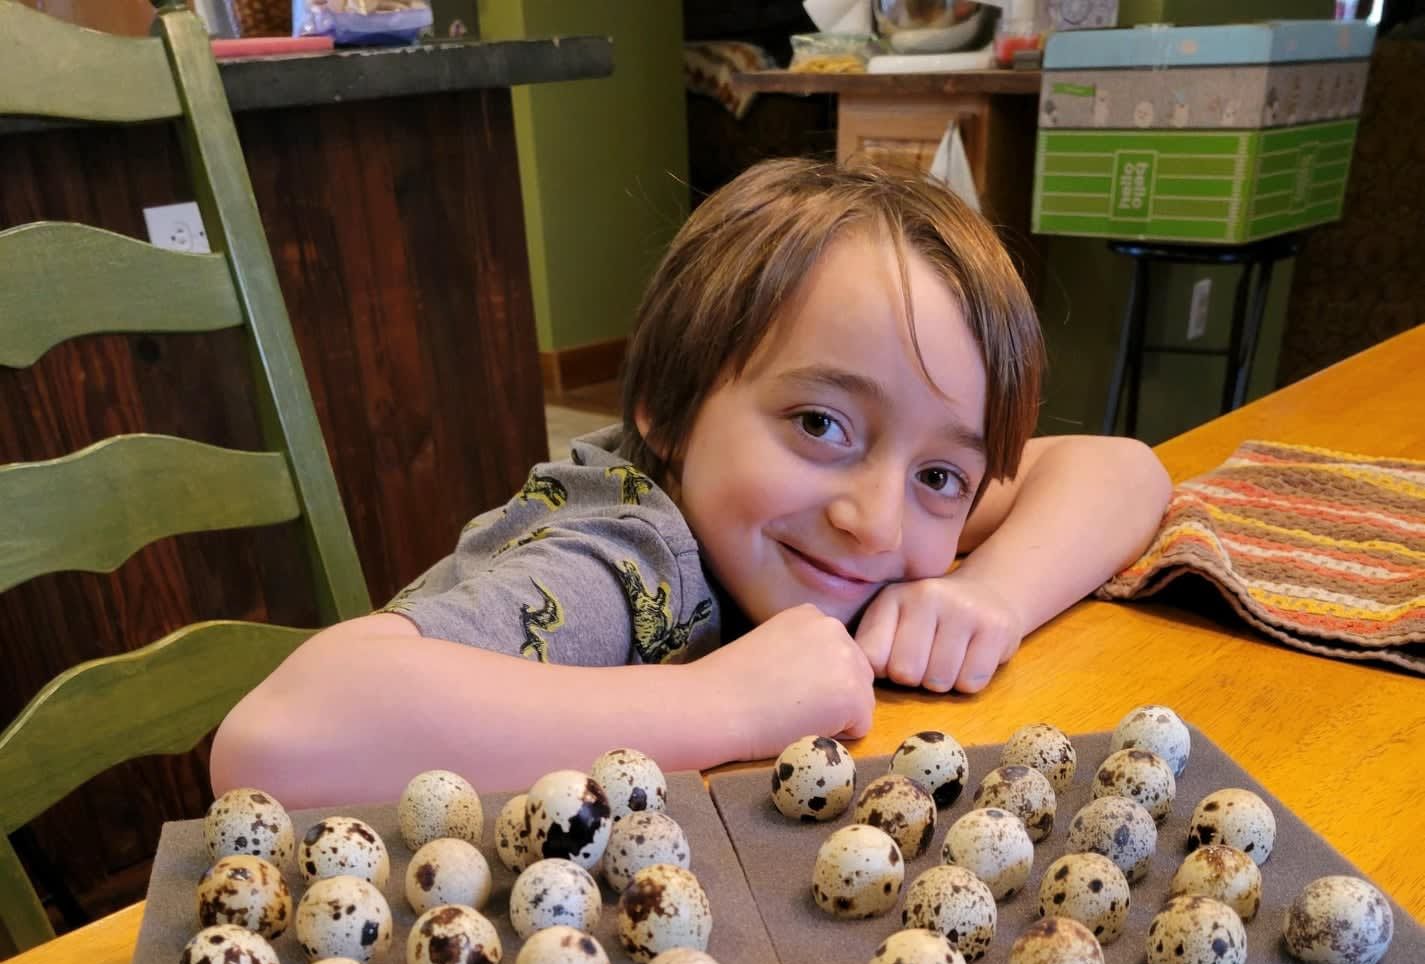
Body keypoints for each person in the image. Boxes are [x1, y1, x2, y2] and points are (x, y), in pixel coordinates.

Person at [211, 158, 1172, 807]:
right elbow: (276, 735)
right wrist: (728, 706)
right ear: (667, 409)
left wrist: (988, 596)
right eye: (819, 424)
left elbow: (1121, 469)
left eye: (937, 474)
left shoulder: (839, 518)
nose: (875, 522)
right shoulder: (627, 564)